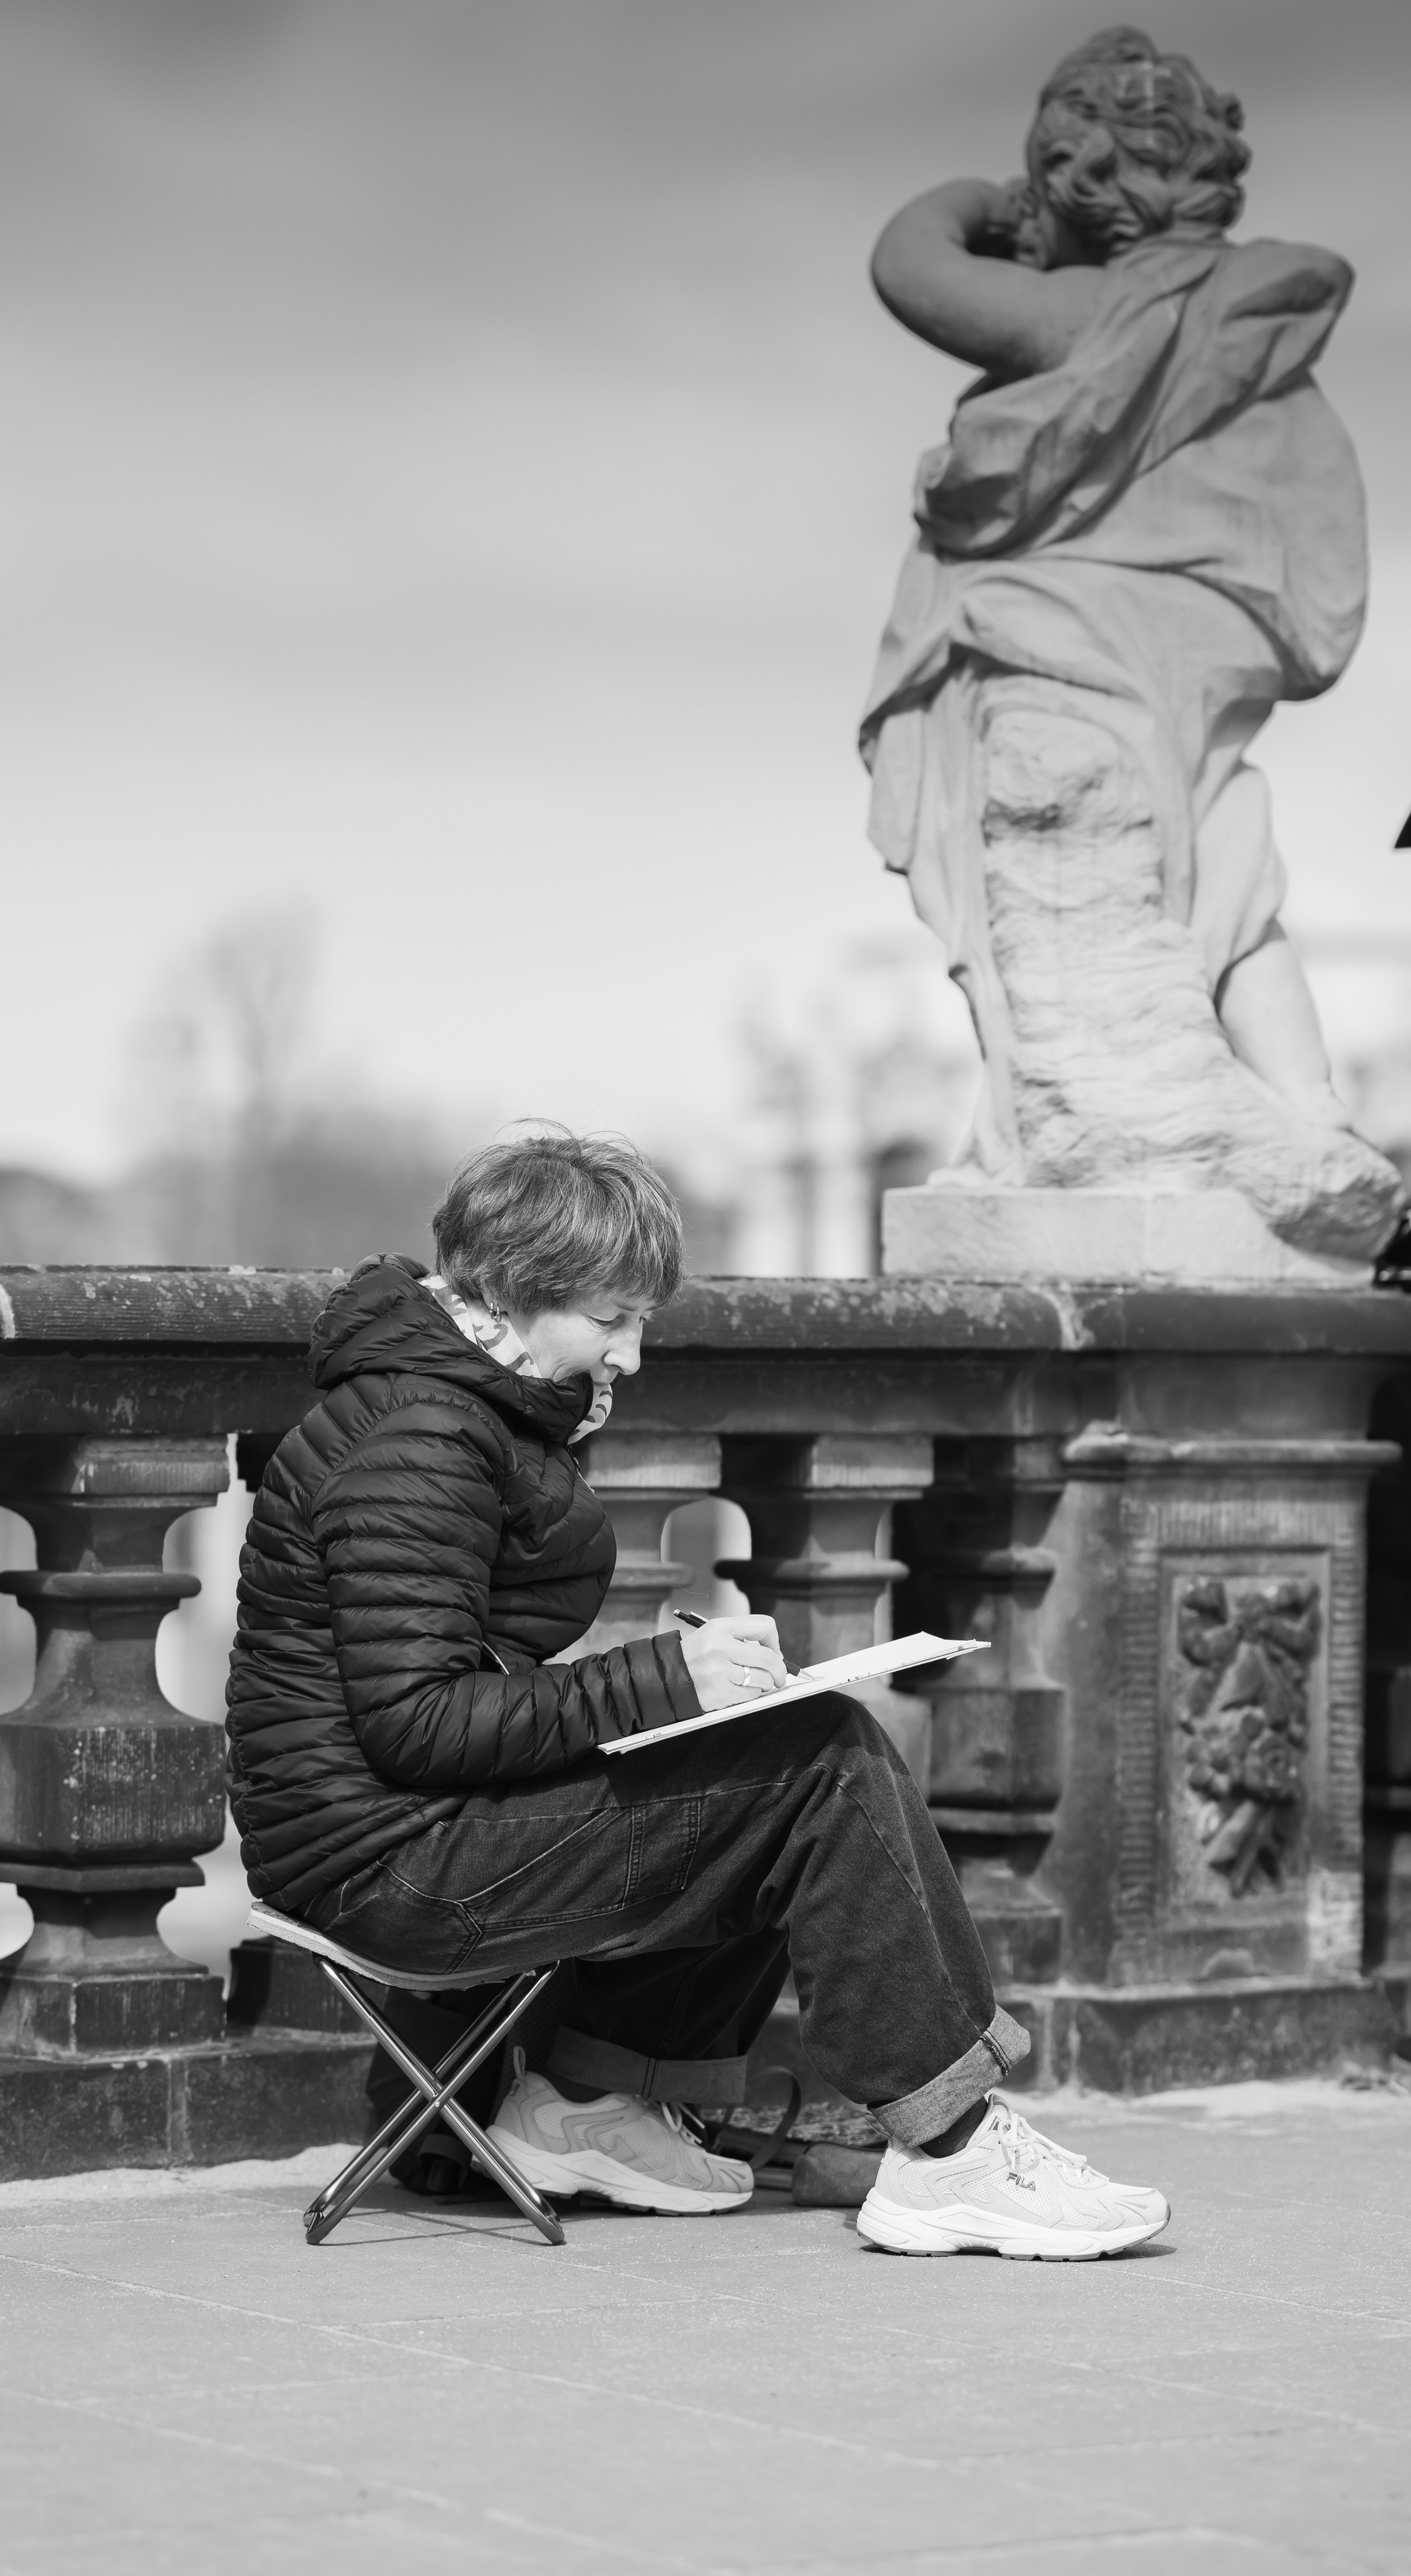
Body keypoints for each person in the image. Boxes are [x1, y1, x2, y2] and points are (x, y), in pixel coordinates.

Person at [227, 1129, 1169, 2256]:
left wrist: (678, 1699)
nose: (631, 1354)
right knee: (822, 1763)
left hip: (409, 1829)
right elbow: (418, 1724)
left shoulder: (460, 1409)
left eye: (643, 1320)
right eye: (612, 1319)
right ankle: (953, 2151)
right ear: (515, 1293)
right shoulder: (417, 1437)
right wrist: (664, 1679)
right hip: (383, 1866)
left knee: (763, 1745)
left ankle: (592, 2104)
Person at [859, 26, 1401, 1252]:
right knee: (1228, 878)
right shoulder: (1249, 329)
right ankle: (1307, 1110)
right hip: (1197, 653)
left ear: (1071, 181)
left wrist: (986, 203)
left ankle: (1075, 1131)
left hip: (1073, 651)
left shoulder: (1101, 315)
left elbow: (908, 264)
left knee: (1056, 894)